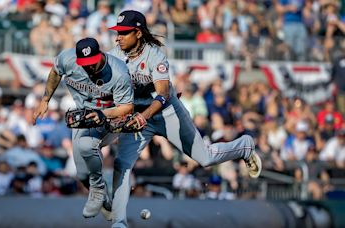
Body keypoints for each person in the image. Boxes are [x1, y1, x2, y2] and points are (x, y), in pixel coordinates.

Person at [106, 10, 262, 227]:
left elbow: (163, 94)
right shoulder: (113, 56)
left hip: (166, 113)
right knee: (122, 163)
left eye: (124, 33)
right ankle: (119, 222)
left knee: (205, 158)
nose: (118, 37)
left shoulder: (155, 56)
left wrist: (143, 116)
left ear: (138, 33)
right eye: (118, 32)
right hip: (139, 117)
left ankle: (244, 146)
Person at [32, 37, 134, 218]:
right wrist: (45, 100)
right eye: (85, 63)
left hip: (109, 117)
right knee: (81, 174)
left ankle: (97, 187)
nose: (89, 67)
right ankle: (105, 202)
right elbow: (56, 72)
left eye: (92, 62)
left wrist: (103, 115)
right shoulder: (67, 59)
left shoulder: (118, 71)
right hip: (84, 118)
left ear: (100, 55)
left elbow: (127, 107)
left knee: (86, 146)